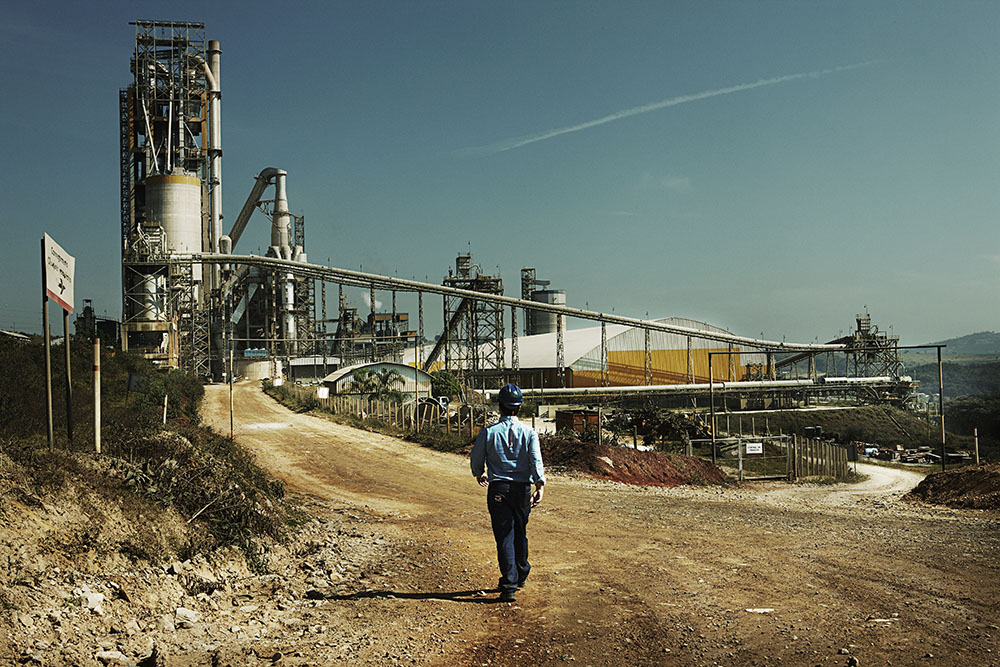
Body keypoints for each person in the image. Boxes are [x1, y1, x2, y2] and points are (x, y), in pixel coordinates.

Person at [470, 383, 545, 602]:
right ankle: (521, 571)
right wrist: (539, 485)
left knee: (504, 536)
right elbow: (535, 460)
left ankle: (509, 583)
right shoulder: (529, 432)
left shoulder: (489, 432)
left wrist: (479, 473)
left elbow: (476, 460)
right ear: (518, 407)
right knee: (520, 530)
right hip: (522, 489)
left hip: (498, 490)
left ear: (500, 407)